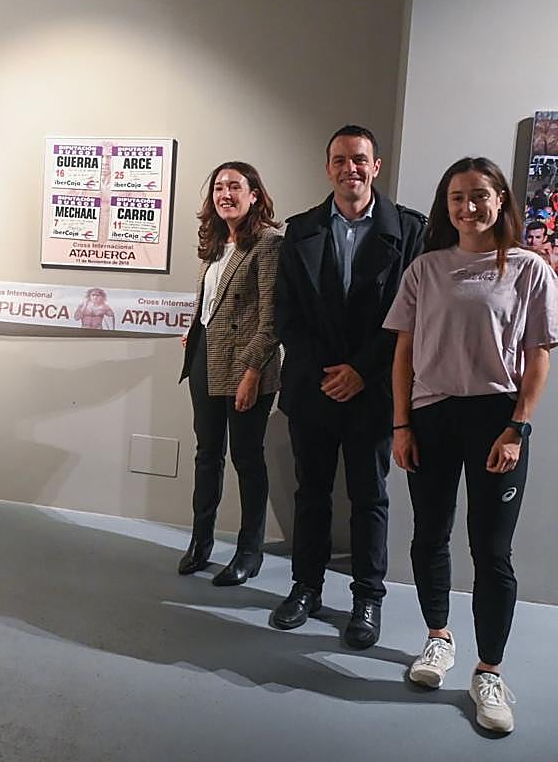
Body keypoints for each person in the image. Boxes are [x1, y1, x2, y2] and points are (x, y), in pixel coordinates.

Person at [385, 156, 557, 734]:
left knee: (492, 550)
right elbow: (403, 353)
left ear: (500, 200)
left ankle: (489, 672)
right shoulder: (425, 269)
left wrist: (518, 427)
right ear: (446, 206)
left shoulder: (529, 269)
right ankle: (438, 637)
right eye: (457, 197)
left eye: (479, 195)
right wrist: (401, 425)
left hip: (496, 420)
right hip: (431, 416)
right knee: (429, 534)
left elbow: (538, 356)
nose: (468, 207)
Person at [271, 125, 426, 648]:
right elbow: (286, 315)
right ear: (328, 168)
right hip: (313, 387)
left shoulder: (410, 232)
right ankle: (305, 588)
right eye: (339, 160)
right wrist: (326, 372)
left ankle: (367, 599)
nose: (349, 168)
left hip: (374, 390)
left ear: (375, 166)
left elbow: (408, 318)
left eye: (359, 159)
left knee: (369, 497)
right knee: (311, 493)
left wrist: (361, 371)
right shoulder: (301, 231)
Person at [177, 162, 282, 586]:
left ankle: (249, 552)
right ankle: (200, 542)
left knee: (247, 458)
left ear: (254, 194)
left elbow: (272, 318)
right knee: (207, 455)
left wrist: (253, 371)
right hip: (205, 357)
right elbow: (215, 304)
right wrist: (198, 333)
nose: (225, 194)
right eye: (219, 187)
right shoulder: (217, 242)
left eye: (235, 186)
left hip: (247, 366)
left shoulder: (269, 243)